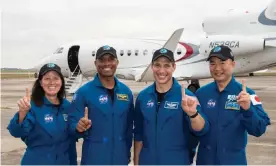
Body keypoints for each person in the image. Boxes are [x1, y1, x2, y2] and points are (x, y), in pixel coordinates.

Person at [195, 45, 271, 165]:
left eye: (222, 62)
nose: (217, 68)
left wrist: (248, 109)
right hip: (205, 161)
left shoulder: (247, 94)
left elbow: (259, 129)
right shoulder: (201, 94)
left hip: (233, 161)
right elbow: (192, 131)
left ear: (233, 64)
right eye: (212, 63)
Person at [133, 48, 209, 165]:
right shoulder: (143, 97)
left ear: (174, 67)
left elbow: (201, 130)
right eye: (157, 65)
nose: (161, 70)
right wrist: (137, 163)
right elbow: (139, 135)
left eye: (166, 66)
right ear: (152, 67)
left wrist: (193, 114)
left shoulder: (187, 97)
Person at [68, 45, 134, 165]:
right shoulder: (83, 93)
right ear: (95, 63)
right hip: (94, 159)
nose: (106, 63)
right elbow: (71, 123)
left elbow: (129, 128)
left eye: (110, 59)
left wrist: (127, 153)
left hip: (120, 159)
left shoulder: (126, 92)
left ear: (117, 62)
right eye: (102, 60)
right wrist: (78, 127)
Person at [7, 63, 77, 165]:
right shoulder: (31, 106)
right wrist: (22, 114)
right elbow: (16, 132)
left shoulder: (67, 106)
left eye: (56, 78)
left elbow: (71, 140)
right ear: (40, 82)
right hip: (38, 161)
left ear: (61, 81)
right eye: (47, 78)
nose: (52, 82)